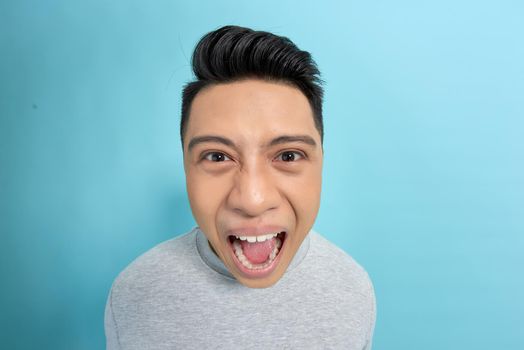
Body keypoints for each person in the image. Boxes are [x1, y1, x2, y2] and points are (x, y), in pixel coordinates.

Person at [105, 25, 376, 349]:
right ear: (185, 167)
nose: (253, 199)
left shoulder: (352, 290)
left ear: (321, 162)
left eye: (288, 155)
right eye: (218, 157)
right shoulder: (135, 292)